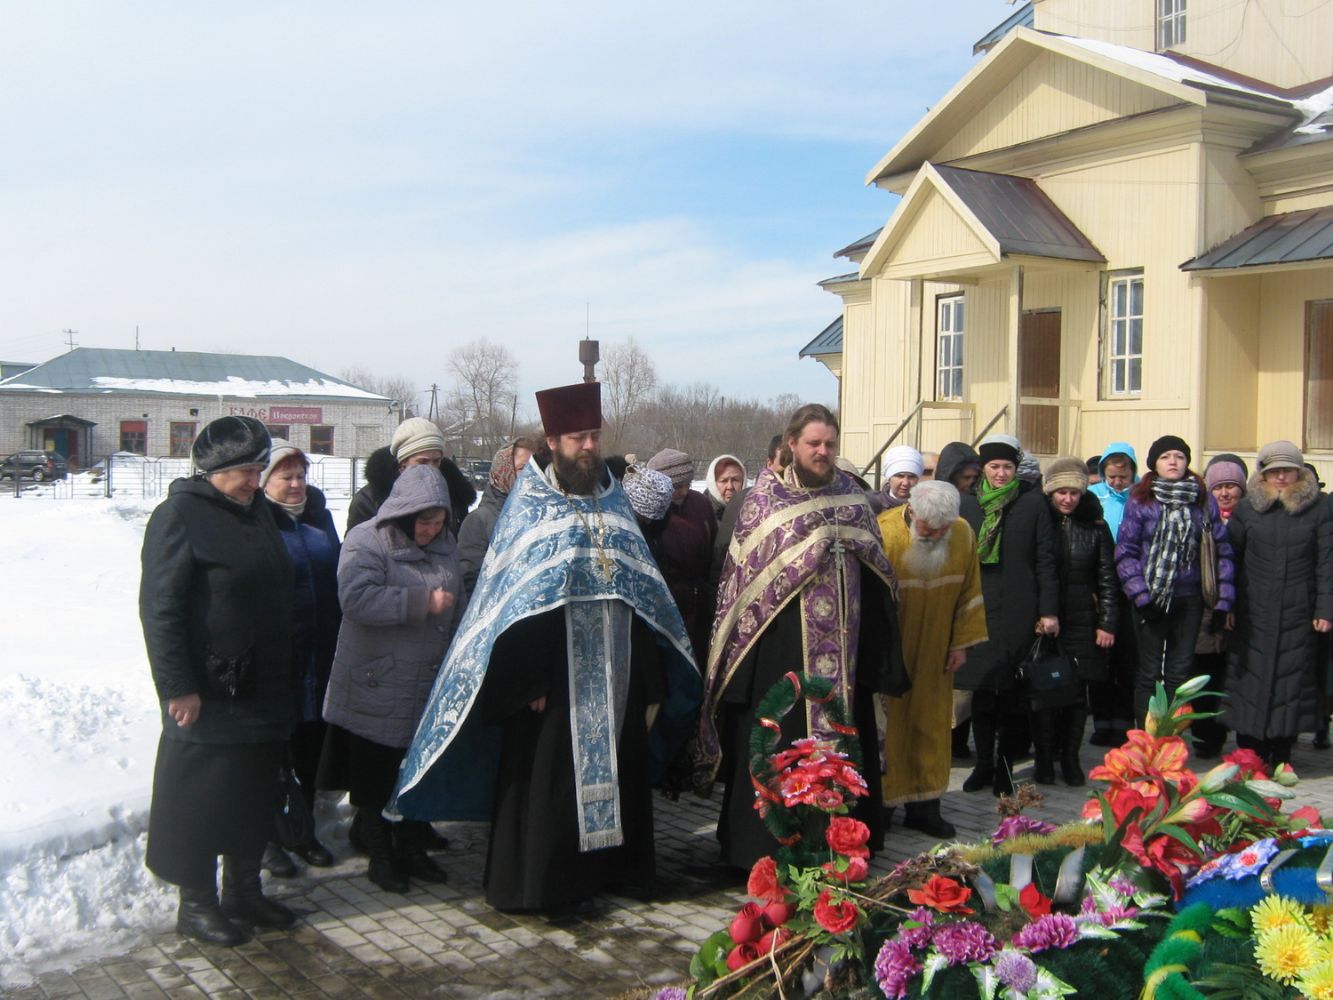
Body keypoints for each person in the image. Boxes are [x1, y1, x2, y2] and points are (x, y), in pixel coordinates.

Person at [392, 382, 691, 912]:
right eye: (578, 437)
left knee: (619, 771)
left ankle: (612, 872)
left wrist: (647, 671)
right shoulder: (529, 504)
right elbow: (509, 601)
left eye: (594, 435)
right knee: (549, 783)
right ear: (553, 440)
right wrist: (524, 680)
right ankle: (548, 885)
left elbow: (641, 589)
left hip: (614, 671)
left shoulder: (615, 499)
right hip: (551, 680)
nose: (589, 446)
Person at [700, 404, 904, 868]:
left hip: (843, 665)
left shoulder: (853, 498)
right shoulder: (763, 501)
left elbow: (880, 575)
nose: (823, 452)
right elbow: (739, 591)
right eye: (813, 443)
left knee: (846, 742)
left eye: (830, 444)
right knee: (777, 748)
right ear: (791, 444)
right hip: (780, 657)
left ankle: (843, 844)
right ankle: (766, 850)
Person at [139, 416, 296, 946]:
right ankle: (197, 903)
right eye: (248, 471)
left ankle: (244, 892)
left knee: (252, 793)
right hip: (209, 691)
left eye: (259, 469)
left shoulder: (257, 513)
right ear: (215, 470)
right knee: (204, 798)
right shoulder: (179, 515)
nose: (257, 480)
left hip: (262, 686)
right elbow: (160, 608)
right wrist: (176, 685)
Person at [321, 465, 465, 893]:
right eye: (424, 522)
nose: (431, 530)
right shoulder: (366, 539)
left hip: (426, 677)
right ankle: (379, 853)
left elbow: (456, 596)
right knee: (375, 773)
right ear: (403, 514)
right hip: (376, 677)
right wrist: (420, 603)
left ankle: (410, 847)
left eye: (438, 522)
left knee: (416, 768)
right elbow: (356, 598)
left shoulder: (446, 543)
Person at [878, 481, 987, 837]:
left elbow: (971, 591)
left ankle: (925, 807)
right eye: (929, 528)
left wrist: (961, 644)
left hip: (938, 652)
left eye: (942, 528)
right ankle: (882, 805)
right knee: (888, 728)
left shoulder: (962, 534)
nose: (936, 534)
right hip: (892, 651)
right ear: (912, 512)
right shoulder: (884, 532)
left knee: (931, 726)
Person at [954, 433, 1059, 797]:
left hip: (1018, 608)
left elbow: (1046, 560)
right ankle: (982, 764)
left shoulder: (1032, 505)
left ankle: (1004, 768)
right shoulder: (967, 506)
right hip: (978, 608)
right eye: (995, 467)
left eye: (1008, 467)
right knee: (982, 692)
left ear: (1017, 469)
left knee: (1011, 696)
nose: (1001, 474)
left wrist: (1048, 610)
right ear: (983, 469)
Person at [259, 439, 342, 873]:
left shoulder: (318, 517)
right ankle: (269, 838)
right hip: (280, 663)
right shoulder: (256, 524)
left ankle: (304, 830)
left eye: (301, 476)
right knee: (275, 754)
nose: (296, 485)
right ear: (264, 480)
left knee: (311, 749)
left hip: (321, 656)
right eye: (285, 476)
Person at [1225, 441, 1333, 770]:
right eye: (1274, 471)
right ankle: (1250, 752)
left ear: (1299, 473)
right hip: (1252, 611)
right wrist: (1227, 604)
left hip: (1298, 609)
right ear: (1264, 473)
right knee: (1250, 680)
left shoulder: (1318, 509)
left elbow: (1326, 563)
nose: (1281, 476)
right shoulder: (1247, 509)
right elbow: (1231, 559)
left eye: (1287, 470)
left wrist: (1324, 609)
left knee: (1291, 681)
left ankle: (1282, 753)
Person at [1115, 435, 1235, 724]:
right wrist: (1140, 596)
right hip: (1151, 597)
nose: (1173, 462)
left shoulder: (1202, 500)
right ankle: (1146, 738)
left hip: (1190, 598)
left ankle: (1171, 734)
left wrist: (1223, 602)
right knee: (1149, 670)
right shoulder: (1140, 499)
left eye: (1179, 457)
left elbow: (1223, 552)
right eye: (1166, 456)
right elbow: (1126, 552)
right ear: (1155, 464)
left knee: (1181, 672)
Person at [1041, 457, 1118, 786]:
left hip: (1084, 621)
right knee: (1043, 692)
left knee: (1076, 695)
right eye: (1061, 493)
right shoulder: (1040, 522)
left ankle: (1070, 758)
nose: (1068, 499)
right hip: (1047, 622)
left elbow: (1107, 579)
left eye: (1074, 492)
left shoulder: (1095, 528)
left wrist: (1107, 623)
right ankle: (1045, 757)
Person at [1191, 454, 1248, 758]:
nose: (1225, 493)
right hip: (1206, 611)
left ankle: (1233, 732)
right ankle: (1205, 735)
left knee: (1234, 675)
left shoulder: (1251, 517)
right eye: (1218, 487)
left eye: (1231, 486)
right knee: (1205, 673)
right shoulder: (1202, 517)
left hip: (1241, 611)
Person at [1087, 443, 1141, 745]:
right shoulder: (1094, 497)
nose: (1117, 482)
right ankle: (1101, 720)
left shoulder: (1141, 498)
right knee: (1100, 657)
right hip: (1100, 582)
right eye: (1111, 476)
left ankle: (1122, 720)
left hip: (1130, 584)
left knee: (1127, 658)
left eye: (1123, 476)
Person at [347, 417, 476, 536]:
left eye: (436, 461)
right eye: (422, 462)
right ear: (402, 463)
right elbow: (356, 551)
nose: (431, 468)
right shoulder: (369, 500)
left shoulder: (453, 494)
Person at [457, 437, 538, 597]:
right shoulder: (479, 521)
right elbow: (469, 580)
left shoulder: (538, 515)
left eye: (534, 469)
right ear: (504, 471)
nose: (531, 475)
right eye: (523, 468)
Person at [879, 445, 924, 509]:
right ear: (889, 478)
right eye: (900, 476)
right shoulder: (872, 506)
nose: (905, 483)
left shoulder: (926, 508)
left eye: (911, 477)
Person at [704, 454, 746, 519]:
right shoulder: (700, 512)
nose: (730, 487)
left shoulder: (754, 510)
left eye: (735, 480)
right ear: (713, 483)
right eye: (723, 481)